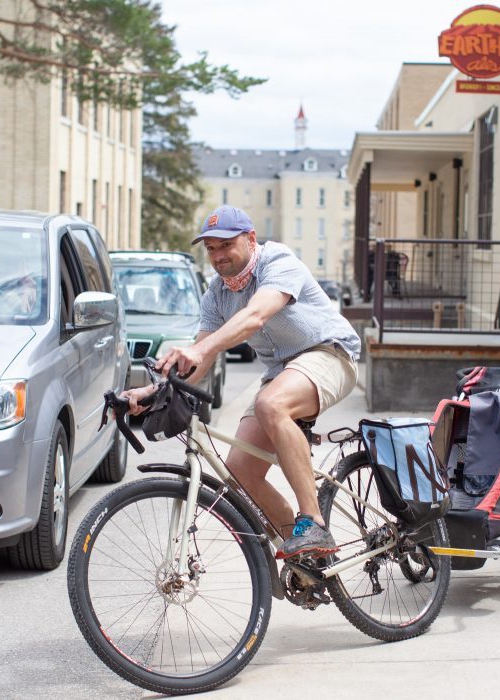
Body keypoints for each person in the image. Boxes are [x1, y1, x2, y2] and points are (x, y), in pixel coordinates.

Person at [122, 205, 362, 559]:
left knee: (272, 403)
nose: (218, 256)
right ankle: (307, 557)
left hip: (330, 354)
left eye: (225, 245)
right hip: (282, 373)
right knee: (239, 469)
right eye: (211, 249)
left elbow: (256, 315)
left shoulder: (278, 261)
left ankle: (313, 522)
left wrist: (201, 348)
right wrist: (151, 391)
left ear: (250, 239)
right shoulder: (217, 295)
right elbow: (198, 365)